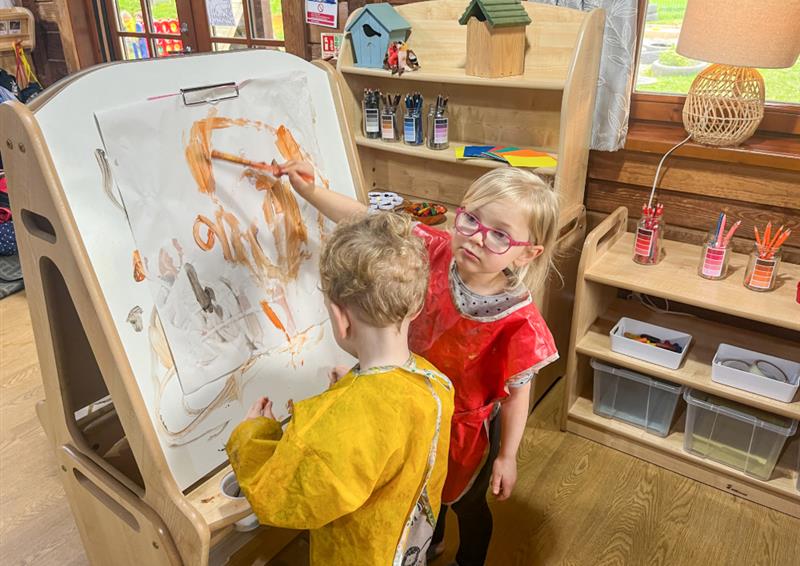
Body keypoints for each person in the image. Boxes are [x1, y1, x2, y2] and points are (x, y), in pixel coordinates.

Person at [280, 162, 560, 566]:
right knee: (422, 487)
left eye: (499, 234)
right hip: (411, 407)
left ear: (526, 254)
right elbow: (366, 221)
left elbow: (517, 395)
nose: (477, 238)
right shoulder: (431, 249)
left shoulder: (520, 322)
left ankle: (469, 559)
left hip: (468, 433)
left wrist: (507, 456)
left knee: (465, 502)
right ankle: (433, 543)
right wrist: (308, 192)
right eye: (471, 219)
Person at [226, 212, 454, 566]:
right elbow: (388, 417)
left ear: (339, 317)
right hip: (407, 547)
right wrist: (352, 386)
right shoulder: (437, 383)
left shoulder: (339, 425)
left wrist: (253, 435)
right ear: (417, 303)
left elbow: (277, 498)